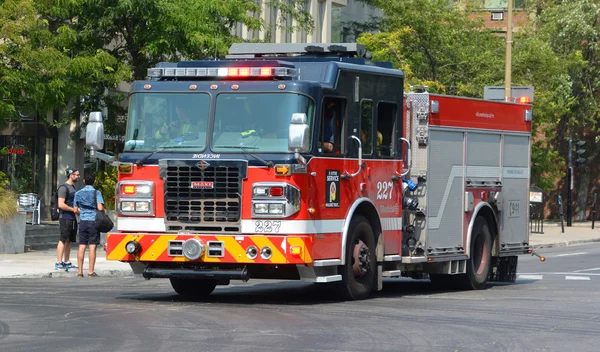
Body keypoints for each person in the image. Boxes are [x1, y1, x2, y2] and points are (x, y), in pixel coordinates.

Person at [74, 173, 104, 278]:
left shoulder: (78, 193)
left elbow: (75, 209)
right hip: (93, 222)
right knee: (92, 246)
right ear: (94, 181)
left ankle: (80, 272)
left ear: (84, 181)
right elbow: (100, 208)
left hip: (83, 221)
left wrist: (82, 212)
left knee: (82, 246)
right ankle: (91, 271)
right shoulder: (97, 193)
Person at [55, 168, 80, 270]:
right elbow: (60, 204)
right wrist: (73, 210)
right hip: (65, 217)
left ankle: (66, 261)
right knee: (63, 239)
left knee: (69, 240)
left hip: (72, 218)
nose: (78, 176)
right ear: (71, 175)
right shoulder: (63, 188)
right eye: (77, 175)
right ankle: (58, 262)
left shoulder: (72, 187)